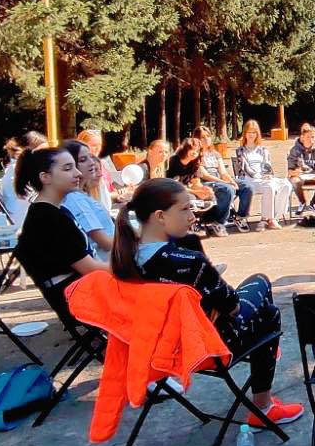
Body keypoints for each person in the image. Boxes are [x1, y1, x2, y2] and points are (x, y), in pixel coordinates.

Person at [112, 178, 304, 429]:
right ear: (160, 216)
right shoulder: (188, 261)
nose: (192, 217)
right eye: (185, 209)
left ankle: (265, 352)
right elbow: (233, 307)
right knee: (267, 306)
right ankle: (263, 403)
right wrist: (212, 281)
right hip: (206, 347)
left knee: (261, 314)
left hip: (157, 349)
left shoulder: (124, 259)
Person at [13, 147, 107, 302]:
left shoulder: (53, 211)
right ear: (45, 177)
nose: (78, 173)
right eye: (68, 169)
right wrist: (131, 268)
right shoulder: (49, 219)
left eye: (75, 167)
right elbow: (91, 269)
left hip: (84, 291)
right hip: (82, 300)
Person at [61, 139, 117, 262]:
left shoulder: (82, 195)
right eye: (83, 160)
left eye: (90, 157)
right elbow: (105, 243)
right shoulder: (74, 199)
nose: (91, 163)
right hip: (108, 265)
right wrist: (133, 238)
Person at [234, 120, 294, 229]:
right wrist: (260, 176)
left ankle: (274, 217)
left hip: (263, 179)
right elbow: (246, 168)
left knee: (286, 184)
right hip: (249, 180)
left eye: (254, 132)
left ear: (257, 134)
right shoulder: (240, 151)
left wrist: (268, 175)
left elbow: (267, 165)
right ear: (245, 133)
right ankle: (267, 219)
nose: (251, 135)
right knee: (269, 186)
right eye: (249, 132)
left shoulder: (263, 150)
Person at [166, 138, 227, 237]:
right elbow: (173, 185)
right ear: (185, 149)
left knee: (210, 196)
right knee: (191, 198)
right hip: (173, 191)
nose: (195, 153)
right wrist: (196, 192)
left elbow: (196, 182)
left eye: (197, 150)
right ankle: (192, 224)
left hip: (187, 189)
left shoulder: (195, 163)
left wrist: (203, 189)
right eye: (192, 149)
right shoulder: (173, 161)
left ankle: (210, 222)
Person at [197, 135, 251, 233]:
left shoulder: (215, 154)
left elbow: (223, 173)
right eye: (203, 137)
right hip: (206, 182)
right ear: (197, 139)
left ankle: (240, 216)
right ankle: (219, 221)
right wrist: (225, 183)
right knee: (228, 189)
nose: (207, 139)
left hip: (220, 179)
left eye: (208, 136)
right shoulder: (196, 155)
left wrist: (232, 182)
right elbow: (205, 175)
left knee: (247, 186)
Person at [0, 131, 47, 226]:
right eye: (43, 153)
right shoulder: (21, 170)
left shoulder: (16, 167)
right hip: (24, 220)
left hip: (20, 217)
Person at [286, 123, 315, 214]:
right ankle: (302, 202)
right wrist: (297, 172)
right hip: (300, 178)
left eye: (313, 137)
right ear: (302, 137)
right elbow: (290, 171)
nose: (311, 140)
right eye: (308, 137)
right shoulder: (294, 150)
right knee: (295, 180)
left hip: (313, 176)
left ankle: (313, 203)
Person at [76, 128, 114, 209]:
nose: (98, 148)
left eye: (99, 145)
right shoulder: (79, 168)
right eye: (94, 145)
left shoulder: (102, 164)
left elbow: (106, 193)